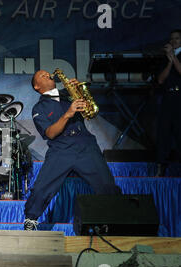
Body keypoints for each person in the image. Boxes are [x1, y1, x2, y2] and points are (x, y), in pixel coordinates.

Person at [23, 70, 121, 231]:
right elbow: (50, 133)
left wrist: (81, 92)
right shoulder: (38, 108)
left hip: (85, 145)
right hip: (61, 148)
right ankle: (30, 219)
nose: (47, 75)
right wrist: (68, 114)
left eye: (48, 73)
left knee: (107, 184)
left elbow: (90, 113)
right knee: (42, 187)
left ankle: (110, 220)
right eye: (42, 75)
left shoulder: (68, 95)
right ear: (36, 86)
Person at [156, 29, 181, 176]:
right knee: (163, 133)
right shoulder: (165, 59)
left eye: (177, 39)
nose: (174, 41)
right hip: (168, 96)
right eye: (172, 39)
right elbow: (160, 79)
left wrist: (173, 57)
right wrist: (170, 61)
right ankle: (161, 167)